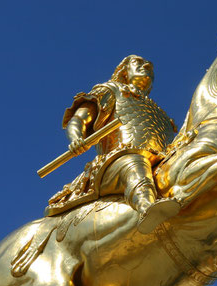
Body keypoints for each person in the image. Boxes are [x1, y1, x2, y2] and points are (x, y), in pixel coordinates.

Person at [48, 55, 180, 234]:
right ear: (124, 72)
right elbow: (78, 119)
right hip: (117, 161)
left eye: (149, 66)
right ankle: (147, 207)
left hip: (158, 161)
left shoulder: (162, 115)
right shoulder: (111, 90)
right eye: (138, 63)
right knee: (134, 163)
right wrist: (76, 139)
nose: (147, 65)